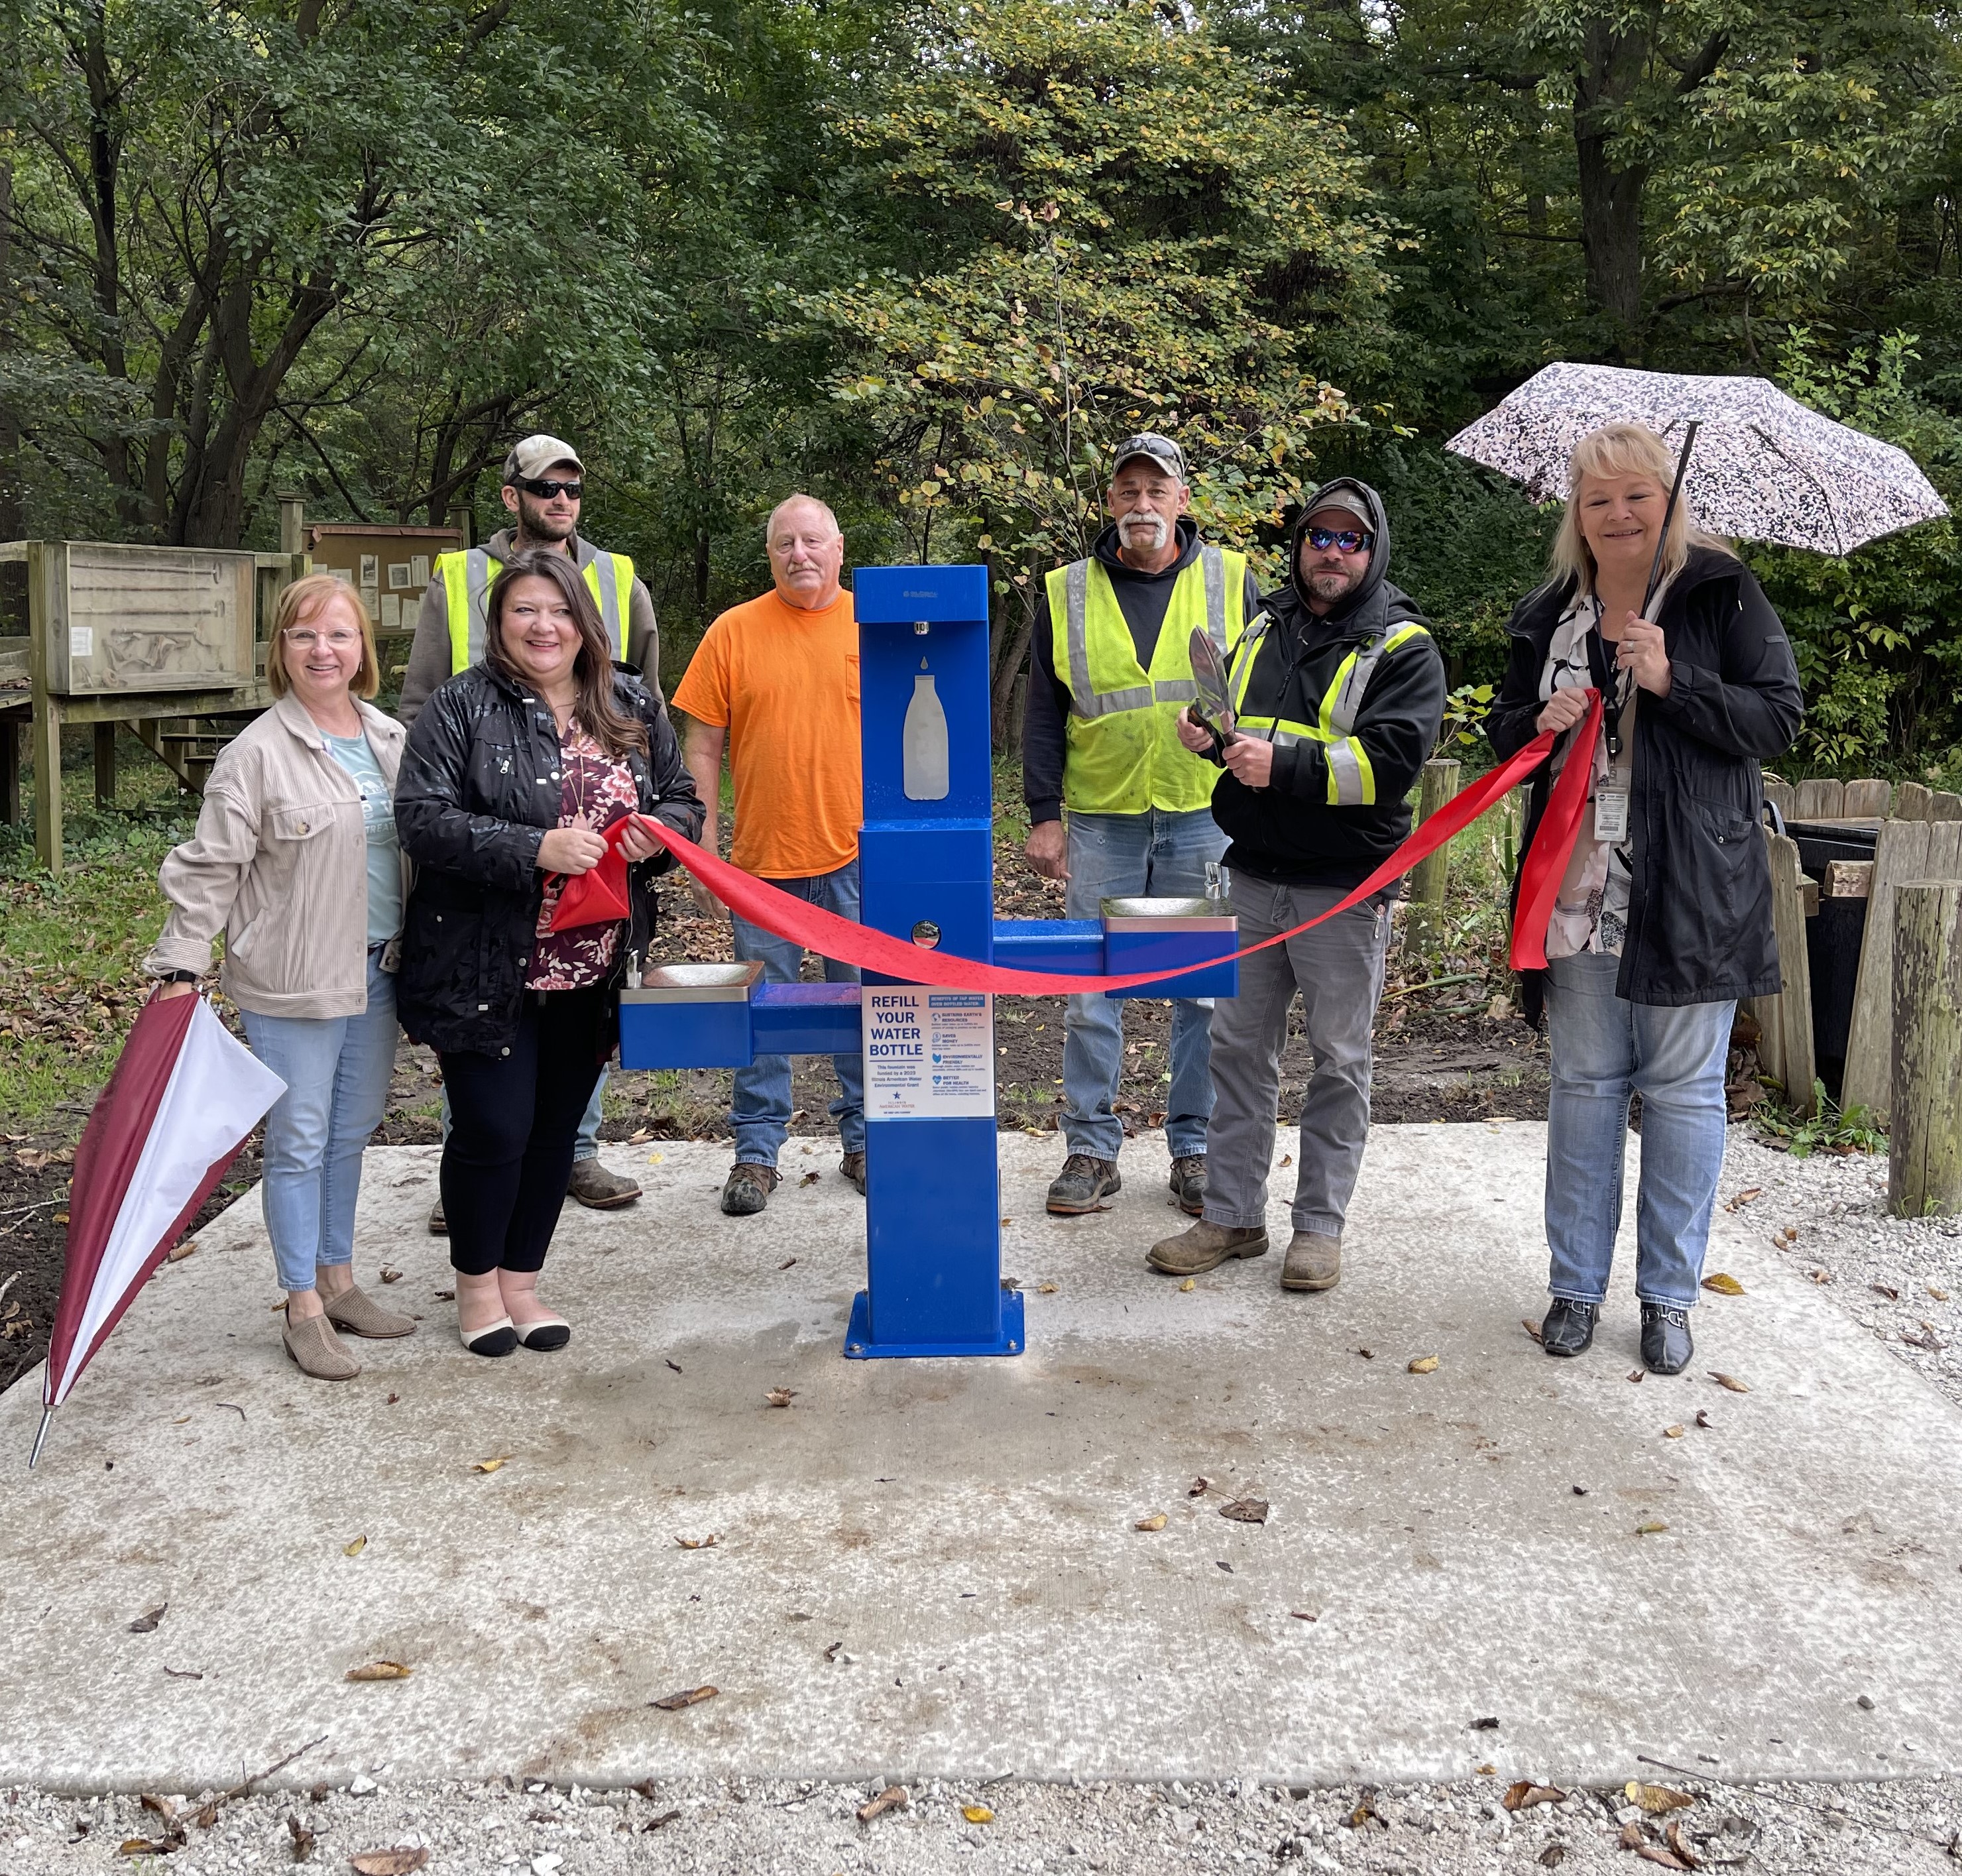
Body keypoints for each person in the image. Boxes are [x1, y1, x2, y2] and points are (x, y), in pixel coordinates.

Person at [1485, 423, 1801, 1375]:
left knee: (1684, 1093)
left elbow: (1777, 718)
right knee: (1583, 1087)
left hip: (1692, 886)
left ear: (1669, 500)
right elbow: (1505, 729)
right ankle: (1574, 1286)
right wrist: (1535, 721)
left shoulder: (1719, 591)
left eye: (1636, 495)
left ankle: (1667, 1297)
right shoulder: (1550, 611)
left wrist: (1675, 678)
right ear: (1574, 516)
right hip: (1578, 886)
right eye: (1597, 499)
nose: (1617, 514)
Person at [394, 550, 703, 1356]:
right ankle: (474, 1285)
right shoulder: (461, 706)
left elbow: (682, 800)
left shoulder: (629, 700)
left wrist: (654, 837)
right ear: (500, 624)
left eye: (558, 610)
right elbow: (420, 817)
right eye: (524, 611)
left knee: (553, 1132)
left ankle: (522, 1284)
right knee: (493, 1127)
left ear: (583, 622)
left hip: (593, 965)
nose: (543, 626)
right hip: (484, 960)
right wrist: (532, 847)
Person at [1149, 478, 1445, 1291]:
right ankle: (1233, 1216)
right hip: (1251, 874)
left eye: (1351, 540)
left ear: (1373, 551)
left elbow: (1386, 769)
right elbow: (1241, 734)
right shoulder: (1259, 625)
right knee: (1236, 1051)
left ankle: (1316, 1229)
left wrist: (1278, 765)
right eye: (1320, 536)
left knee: (1339, 1061)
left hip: (1344, 891)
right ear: (1300, 543)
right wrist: (1209, 740)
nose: (1332, 553)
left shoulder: (1403, 647)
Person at [145, 574, 414, 1381]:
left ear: (361, 647)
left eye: (338, 634)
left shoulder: (388, 737)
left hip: (378, 970)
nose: (322, 650)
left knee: (352, 1127)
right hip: (294, 978)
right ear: (281, 651)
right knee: (298, 1141)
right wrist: (181, 962)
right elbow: (210, 869)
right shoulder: (254, 755)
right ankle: (300, 1304)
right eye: (304, 636)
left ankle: (338, 1279)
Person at [400, 434, 660, 1223]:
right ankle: (476, 1160)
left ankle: (573, 1153)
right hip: (479, 858)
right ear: (510, 494)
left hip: (594, 890)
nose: (560, 500)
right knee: (485, 1061)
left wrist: (650, 823)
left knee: (574, 1029)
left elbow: (646, 720)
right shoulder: (457, 580)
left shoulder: (619, 579)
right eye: (544, 486)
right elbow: (418, 706)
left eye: (572, 489)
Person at [1022, 434, 1263, 1218]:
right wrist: (1044, 815)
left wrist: (1234, 748)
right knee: (1093, 991)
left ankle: (1193, 1147)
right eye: (1127, 491)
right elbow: (1043, 713)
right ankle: (1091, 1146)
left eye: (1156, 491)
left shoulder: (1232, 581)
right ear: (1110, 503)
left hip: (1203, 814)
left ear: (1182, 500)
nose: (1141, 505)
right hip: (1101, 819)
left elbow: (1267, 695)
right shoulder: (1065, 589)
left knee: (1201, 993)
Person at [670, 495, 867, 1216]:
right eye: (785, 543)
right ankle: (756, 1150)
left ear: (838, 548)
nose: (799, 555)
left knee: (865, 1005)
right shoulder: (732, 631)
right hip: (761, 865)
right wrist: (703, 846)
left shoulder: (869, 626)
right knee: (761, 1012)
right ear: (769, 554)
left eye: (812, 541)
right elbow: (701, 745)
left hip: (857, 859)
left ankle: (865, 1136)